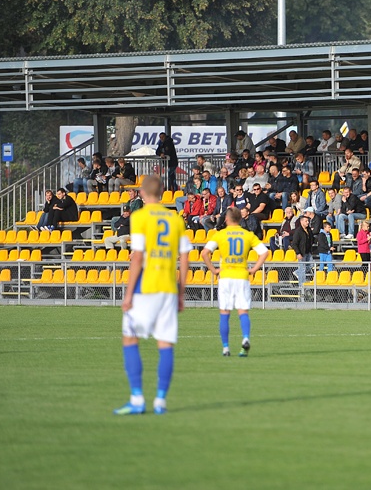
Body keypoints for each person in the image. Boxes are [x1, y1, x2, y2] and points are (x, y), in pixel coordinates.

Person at [114, 176, 190, 416]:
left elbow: (137, 257)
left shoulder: (139, 217)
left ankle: (137, 398)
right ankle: (160, 400)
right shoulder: (175, 219)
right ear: (162, 193)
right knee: (165, 344)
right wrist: (181, 292)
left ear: (142, 194)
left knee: (130, 338)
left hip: (145, 288)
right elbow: (186, 257)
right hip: (168, 288)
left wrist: (127, 294)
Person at [201, 207, 268, 357]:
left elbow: (204, 253)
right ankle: (245, 338)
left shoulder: (220, 235)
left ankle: (225, 348)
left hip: (225, 277)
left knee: (224, 313)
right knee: (243, 311)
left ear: (226, 219)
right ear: (240, 219)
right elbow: (264, 252)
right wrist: (254, 269)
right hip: (242, 276)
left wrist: (213, 270)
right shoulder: (247, 235)